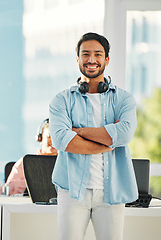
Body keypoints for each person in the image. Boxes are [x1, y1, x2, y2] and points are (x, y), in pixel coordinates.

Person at [49, 32, 138, 240]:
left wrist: (78, 132)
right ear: (77, 59)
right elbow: (62, 140)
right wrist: (107, 140)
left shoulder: (124, 99)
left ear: (106, 59)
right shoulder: (61, 100)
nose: (91, 60)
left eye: (98, 54)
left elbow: (123, 134)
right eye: (85, 54)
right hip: (71, 190)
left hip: (111, 190)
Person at [6, 118, 57, 195]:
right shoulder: (25, 162)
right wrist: (34, 182)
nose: (53, 141)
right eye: (49, 136)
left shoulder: (66, 163)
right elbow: (9, 189)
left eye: (56, 137)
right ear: (40, 138)